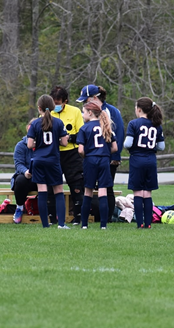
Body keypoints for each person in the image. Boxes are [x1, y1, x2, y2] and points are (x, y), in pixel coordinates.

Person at [76, 85, 124, 220]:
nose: (85, 104)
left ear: (95, 98)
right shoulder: (94, 114)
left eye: (86, 101)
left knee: (104, 189)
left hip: (103, 157)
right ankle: (100, 220)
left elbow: (117, 135)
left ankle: (106, 218)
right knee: (98, 189)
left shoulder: (109, 112)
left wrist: (114, 156)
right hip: (101, 157)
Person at [27, 95, 69, 228]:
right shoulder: (58, 122)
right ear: (52, 108)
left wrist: (37, 142)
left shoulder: (34, 123)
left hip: (39, 160)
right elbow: (64, 142)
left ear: (39, 108)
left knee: (42, 191)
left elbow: (29, 145)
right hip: (53, 160)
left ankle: (45, 225)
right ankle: (61, 224)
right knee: (58, 191)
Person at [124, 97, 165, 229]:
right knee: (147, 193)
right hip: (151, 160)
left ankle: (139, 223)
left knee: (137, 193)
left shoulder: (133, 123)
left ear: (139, 109)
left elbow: (128, 143)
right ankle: (148, 223)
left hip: (137, 159)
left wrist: (132, 147)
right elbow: (161, 147)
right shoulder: (157, 125)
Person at [50, 86, 84, 225]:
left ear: (65, 101)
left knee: (76, 185)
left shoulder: (75, 111)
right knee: (52, 186)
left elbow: (82, 133)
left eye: (58, 103)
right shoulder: (47, 112)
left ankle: (78, 217)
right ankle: (52, 218)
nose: (56, 106)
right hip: (54, 153)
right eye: (54, 103)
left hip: (72, 153)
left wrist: (68, 138)